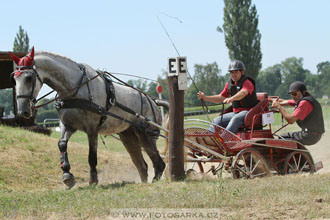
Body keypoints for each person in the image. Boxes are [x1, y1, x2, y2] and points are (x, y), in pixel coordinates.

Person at [197, 60, 258, 134]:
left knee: (235, 119)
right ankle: (209, 139)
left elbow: (243, 93)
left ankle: (224, 140)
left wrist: (231, 98)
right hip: (236, 112)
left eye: (236, 72)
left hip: (248, 112)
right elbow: (220, 97)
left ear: (242, 72)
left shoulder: (247, 83)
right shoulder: (229, 84)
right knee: (217, 120)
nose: (233, 74)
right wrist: (205, 97)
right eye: (232, 72)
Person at [271, 81, 324, 145]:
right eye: (291, 94)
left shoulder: (304, 103)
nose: (293, 96)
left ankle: (297, 155)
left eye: (295, 94)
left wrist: (279, 107)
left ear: (303, 92)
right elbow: (284, 101)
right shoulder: (304, 99)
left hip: (310, 135)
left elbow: (291, 120)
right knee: (283, 136)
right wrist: (268, 99)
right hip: (312, 134)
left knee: (283, 138)